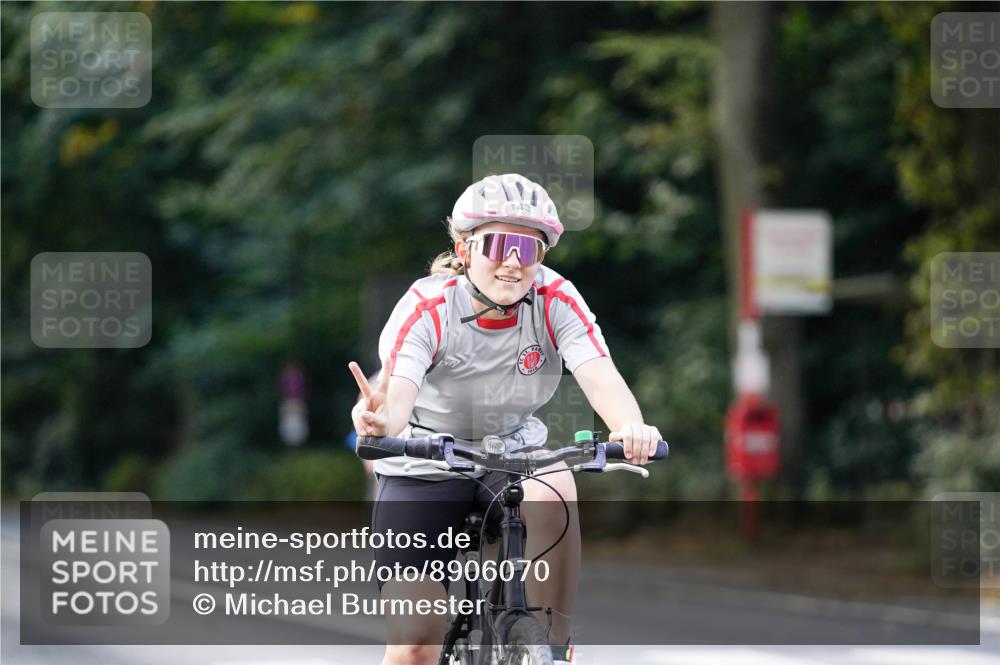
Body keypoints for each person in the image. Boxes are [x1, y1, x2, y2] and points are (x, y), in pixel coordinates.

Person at [348, 173, 663, 665]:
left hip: (510, 451)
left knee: (554, 484)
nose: (514, 261)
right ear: (465, 248)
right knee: (413, 647)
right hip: (422, 461)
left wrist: (630, 426)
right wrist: (380, 422)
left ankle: (551, 648)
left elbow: (598, 371)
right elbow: (397, 397)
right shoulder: (428, 307)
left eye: (530, 248)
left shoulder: (555, 299)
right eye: (498, 243)